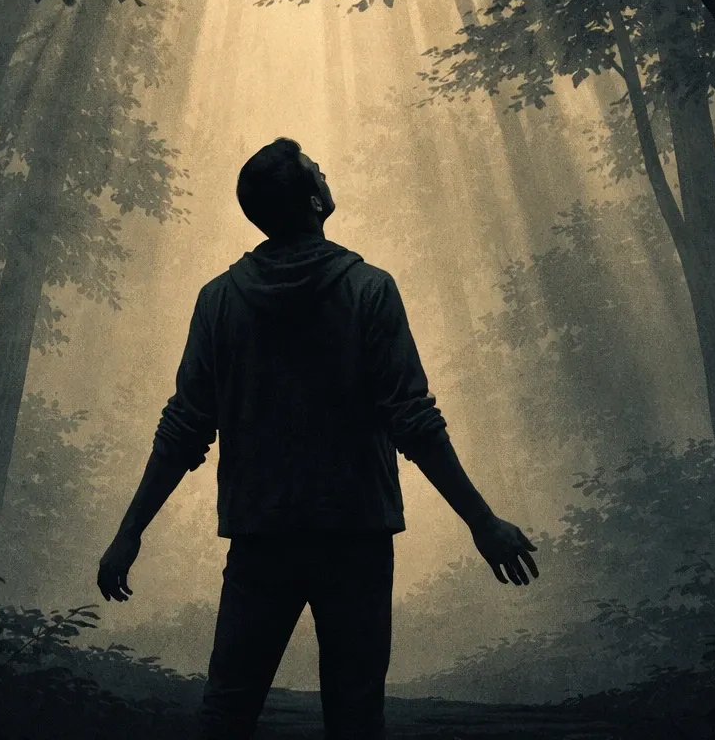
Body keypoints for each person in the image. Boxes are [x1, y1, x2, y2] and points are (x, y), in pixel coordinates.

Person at [96, 137, 539, 739]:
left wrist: (129, 533)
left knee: (227, 710)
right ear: (313, 200)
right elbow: (414, 421)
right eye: (315, 171)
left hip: (261, 535)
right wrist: (481, 521)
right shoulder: (369, 292)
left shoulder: (219, 301)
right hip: (355, 532)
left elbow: (184, 429)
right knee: (356, 715)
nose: (325, 173)